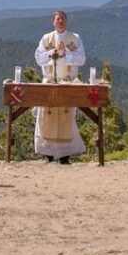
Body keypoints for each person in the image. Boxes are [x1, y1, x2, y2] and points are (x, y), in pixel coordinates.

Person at [33, 11, 87, 163]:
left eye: (63, 19)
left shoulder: (75, 38)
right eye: (58, 20)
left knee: (66, 117)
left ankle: (65, 155)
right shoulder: (46, 38)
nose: (61, 22)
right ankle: (48, 154)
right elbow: (39, 59)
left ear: (67, 22)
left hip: (67, 82)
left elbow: (82, 59)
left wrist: (67, 52)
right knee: (45, 117)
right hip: (50, 82)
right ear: (53, 22)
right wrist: (54, 51)